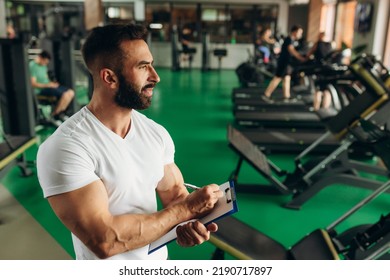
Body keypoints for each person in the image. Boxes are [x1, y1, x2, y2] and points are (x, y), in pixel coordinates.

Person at [36, 24, 223, 260]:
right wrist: (186, 210)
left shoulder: (155, 133)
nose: (156, 76)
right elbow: (103, 239)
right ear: (109, 77)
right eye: (143, 67)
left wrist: (186, 224)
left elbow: (174, 194)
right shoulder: (66, 147)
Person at [262, 25, 307, 102]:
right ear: (294, 32)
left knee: (287, 78)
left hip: (287, 63)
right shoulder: (289, 39)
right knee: (277, 78)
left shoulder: (292, 40)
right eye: (299, 33)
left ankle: (286, 96)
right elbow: (291, 49)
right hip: (284, 63)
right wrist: (300, 58)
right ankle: (266, 94)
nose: (300, 35)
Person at [29, 50, 75, 122]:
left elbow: (46, 79)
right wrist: (48, 85)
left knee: (71, 92)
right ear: (40, 58)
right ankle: (55, 115)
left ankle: (59, 113)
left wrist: (52, 84)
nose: (45, 63)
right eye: (45, 61)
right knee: (65, 94)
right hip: (40, 89)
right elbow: (33, 84)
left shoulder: (43, 66)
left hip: (48, 86)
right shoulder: (32, 66)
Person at [306, 32, 333, 110]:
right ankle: (325, 109)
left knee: (318, 89)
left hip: (319, 69)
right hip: (328, 70)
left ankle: (316, 108)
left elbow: (309, 54)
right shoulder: (330, 44)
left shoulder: (317, 44)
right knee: (326, 90)